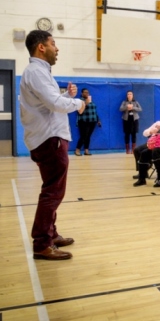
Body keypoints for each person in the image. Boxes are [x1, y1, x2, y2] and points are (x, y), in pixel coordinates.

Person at [19, 30, 85, 260]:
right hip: (49, 139)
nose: (57, 49)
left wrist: (66, 94)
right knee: (53, 192)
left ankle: (50, 233)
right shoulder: (36, 72)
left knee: (53, 189)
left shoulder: (39, 72)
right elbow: (55, 104)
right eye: (53, 44)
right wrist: (77, 102)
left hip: (49, 138)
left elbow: (48, 102)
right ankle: (42, 243)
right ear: (41, 47)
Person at [132, 105, 160, 181]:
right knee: (137, 150)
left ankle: (150, 166)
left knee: (148, 152)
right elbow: (144, 133)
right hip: (152, 142)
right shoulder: (158, 123)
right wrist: (150, 131)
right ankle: (142, 172)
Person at [74, 88, 100, 156]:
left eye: (87, 92)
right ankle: (77, 150)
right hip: (83, 121)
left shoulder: (90, 100)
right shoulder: (79, 101)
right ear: (82, 93)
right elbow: (79, 111)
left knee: (88, 136)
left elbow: (94, 111)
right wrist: (86, 103)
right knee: (83, 136)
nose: (87, 93)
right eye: (85, 92)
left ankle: (86, 150)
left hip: (92, 121)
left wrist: (98, 120)